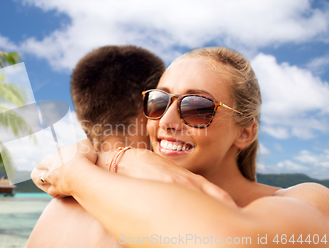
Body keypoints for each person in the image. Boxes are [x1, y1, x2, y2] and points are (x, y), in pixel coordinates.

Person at [36, 47, 329, 247]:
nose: (166, 120)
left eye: (197, 107)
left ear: (245, 132)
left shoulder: (311, 200)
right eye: (158, 101)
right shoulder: (97, 197)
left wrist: (78, 172)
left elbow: (228, 240)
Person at [27, 45, 165, 247]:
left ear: (85, 124)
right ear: (147, 107)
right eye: (163, 102)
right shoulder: (163, 205)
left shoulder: (55, 208)